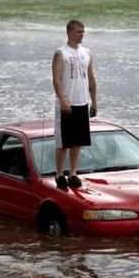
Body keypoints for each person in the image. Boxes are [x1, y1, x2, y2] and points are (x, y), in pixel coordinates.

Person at [52, 19, 97, 189]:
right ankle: (59, 173)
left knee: (78, 141)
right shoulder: (61, 53)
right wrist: (62, 99)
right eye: (79, 32)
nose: (82, 35)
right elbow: (56, 79)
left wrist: (94, 101)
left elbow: (91, 77)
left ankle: (73, 173)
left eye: (83, 32)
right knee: (64, 142)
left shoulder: (87, 53)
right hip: (67, 102)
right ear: (70, 32)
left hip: (82, 101)